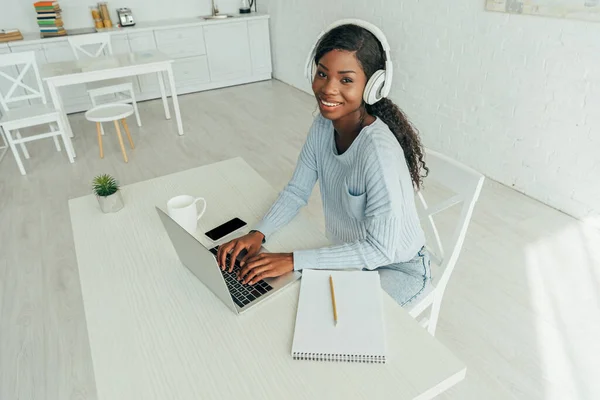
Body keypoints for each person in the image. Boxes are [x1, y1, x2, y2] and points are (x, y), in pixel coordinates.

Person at [217, 20, 431, 306]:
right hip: (351, 257)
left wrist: (294, 260)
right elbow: (296, 192)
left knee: (331, 327)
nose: (328, 89)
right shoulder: (322, 126)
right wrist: (259, 232)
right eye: (322, 73)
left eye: (346, 79)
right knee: (286, 302)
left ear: (373, 86)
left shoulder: (378, 154)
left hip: (396, 268)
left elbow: (380, 250)